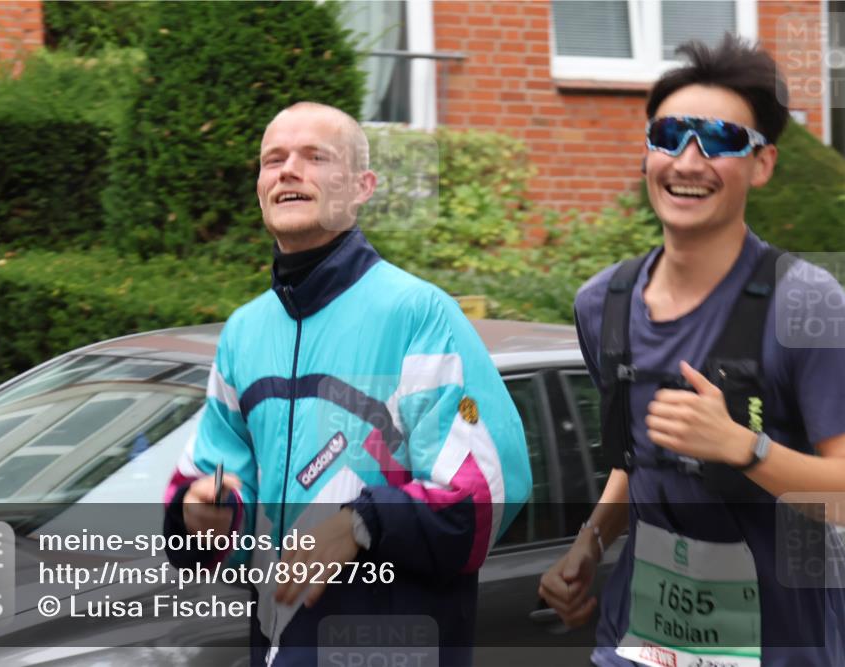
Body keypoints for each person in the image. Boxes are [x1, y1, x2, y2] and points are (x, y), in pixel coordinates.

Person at [162, 101, 532, 666]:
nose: (288, 170)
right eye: (273, 160)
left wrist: (361, 523)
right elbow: (217, 492)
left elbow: (484, 497)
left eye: (315, 156)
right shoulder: (243, 332)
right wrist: (201, 516)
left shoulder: (419, 315)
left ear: (362, 187)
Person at [539, 35, 845, 667]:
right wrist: (589, 544)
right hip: (637, 644)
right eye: (669, 134)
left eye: (722, 140)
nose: (689, 158)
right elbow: (638, 460)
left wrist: (745, 447)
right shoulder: (604, 304)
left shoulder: (806, 304)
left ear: (762, 165)